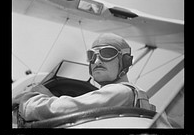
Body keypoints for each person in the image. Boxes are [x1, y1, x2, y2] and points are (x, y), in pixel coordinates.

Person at [13, 33, 171, 127]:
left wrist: (27, 100)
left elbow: (59, 110)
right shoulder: (136, 94)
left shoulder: (119, 91)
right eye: (92, 56)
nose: (97, 61)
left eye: (107, 53)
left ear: (125, 61)